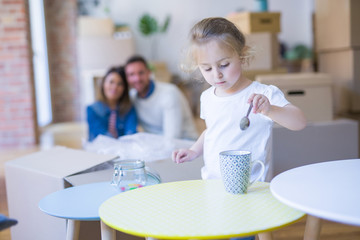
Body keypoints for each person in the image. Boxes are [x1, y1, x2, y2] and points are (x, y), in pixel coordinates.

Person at [172, 16, 307, 198]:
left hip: (253, 187)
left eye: (224, 65)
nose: (217, 75)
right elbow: (213, 131)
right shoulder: (207, 97)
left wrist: (270, 110)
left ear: (242, 56)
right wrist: (194, 150)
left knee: (253, 226)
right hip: (213, 184)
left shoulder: (263, 94)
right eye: (207, 69)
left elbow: (299, 122)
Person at [125, 55, 198, 140]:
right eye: (131, 74)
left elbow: (172, 137)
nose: (137, 78)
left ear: (149, 72)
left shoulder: (169, 93)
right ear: (126, 78)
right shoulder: (132, 97)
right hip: (156, 146)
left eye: (141, 73)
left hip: (185, 144)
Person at [87, 66, 137, 141]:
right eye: (111, 82)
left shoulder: (129, 109)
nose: (115, 87)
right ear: (103, 84)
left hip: (124, 150)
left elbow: (131, 133)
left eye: (120, 84)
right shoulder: (92, 110)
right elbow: (101, 136)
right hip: (99, 150)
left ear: (124, 88)